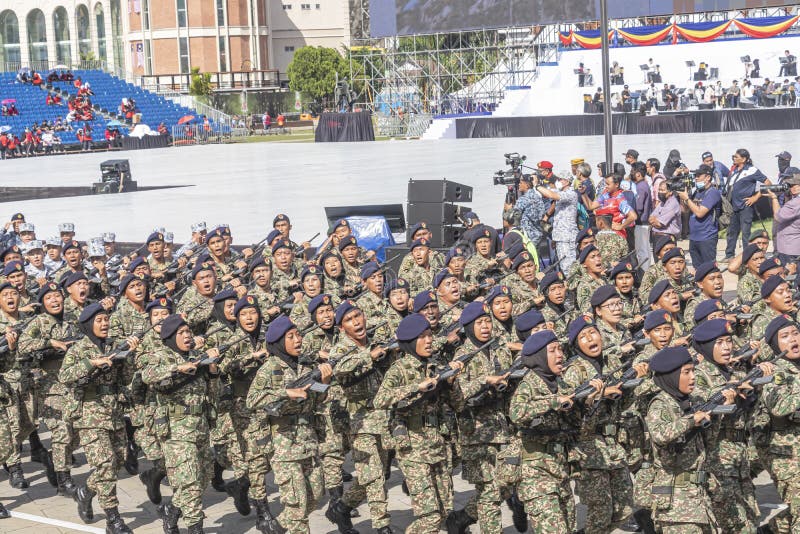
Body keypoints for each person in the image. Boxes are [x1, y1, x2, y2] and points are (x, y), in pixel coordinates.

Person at [724, 148, 770, 259]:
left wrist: (755, 197)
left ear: (744, 159)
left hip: (746, 206)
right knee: (731, 232)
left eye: (736, 157)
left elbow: (768, 183)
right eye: (733, 156)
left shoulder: (752, 170)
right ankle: (729, 255)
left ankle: (747, 256)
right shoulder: (734, 170)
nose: (733, 158)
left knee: (746, 233)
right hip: (733, 207)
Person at [676, 164, 721, 266]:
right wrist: (683, 196)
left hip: (707, 237)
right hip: (694, 237)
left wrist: (687, 199)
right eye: (695, 175)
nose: (696, 178)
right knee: (697, 269)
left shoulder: (713, 192)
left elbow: (700, 213)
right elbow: (685, 210)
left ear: (708, 177)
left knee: (709, 269)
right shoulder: (697, 191)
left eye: (699, 175)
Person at [535, 171, 578, 273]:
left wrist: (536, 185)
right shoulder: (563, 193)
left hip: (567, 237)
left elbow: (551, 195)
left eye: (560, 179)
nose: (557, 181)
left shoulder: (571, 194)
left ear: (566, 182)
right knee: (563, 267)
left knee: (569, 268)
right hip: (560, 237)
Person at [765, 171, 800, 261]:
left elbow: (778, 217)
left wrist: (774, 198)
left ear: (798, 187)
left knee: (790, 273)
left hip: (790, 248)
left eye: (792, 185)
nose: (789, 188)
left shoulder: (795, 203)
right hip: (795, 246)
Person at [648, 180, 681, 255]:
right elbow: (650, 218)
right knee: (658, 263)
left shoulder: (672, 203)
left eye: (662, 190)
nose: (660, 192)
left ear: (670, 192)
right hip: (657, 237)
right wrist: (654, 220)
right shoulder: (662, 203)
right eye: (659, 190)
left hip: (667, 238)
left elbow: (659, 224)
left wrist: (655, 220)